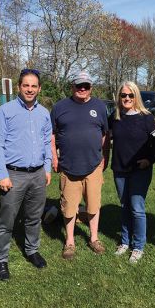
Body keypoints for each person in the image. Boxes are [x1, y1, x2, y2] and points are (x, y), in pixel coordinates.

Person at [0, 69, 52, 281]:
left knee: (34, 217)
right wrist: (1, 174)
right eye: (26, 85)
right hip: (13, 174)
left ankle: (32, 250)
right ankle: (0, 259)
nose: (30, 89)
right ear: (19, 87)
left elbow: (46, 142)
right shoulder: (4, 112)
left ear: (39, 88)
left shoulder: (44, 113)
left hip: (37, 174)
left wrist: (47, 168)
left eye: (34, 86)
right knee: (7, 220)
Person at [51, 71, 109, 260]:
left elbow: (105, 135)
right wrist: (54, 157)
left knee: (93, 206)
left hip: (93, 166)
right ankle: (69, 242)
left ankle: (94, 238)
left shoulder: (100, 107)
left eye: (86, 86)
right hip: (68, 167)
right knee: (68, 208)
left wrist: (105, 157)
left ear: (91, 87)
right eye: (79, 85)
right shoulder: (60, 107)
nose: (82, 89)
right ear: (72, 86)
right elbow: (52, 135)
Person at [109, 81, 155, 263]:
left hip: (140, 170)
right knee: (124, 206)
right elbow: (103, 135)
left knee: (137, 209)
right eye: (123, 95)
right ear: (119, 97)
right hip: (119, 169)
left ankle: (138, 247)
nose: (127, 98)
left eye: (131, 95)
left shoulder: (146, 117)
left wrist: (149, 160)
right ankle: (125, 242)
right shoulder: (115, 117)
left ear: (136, 96)